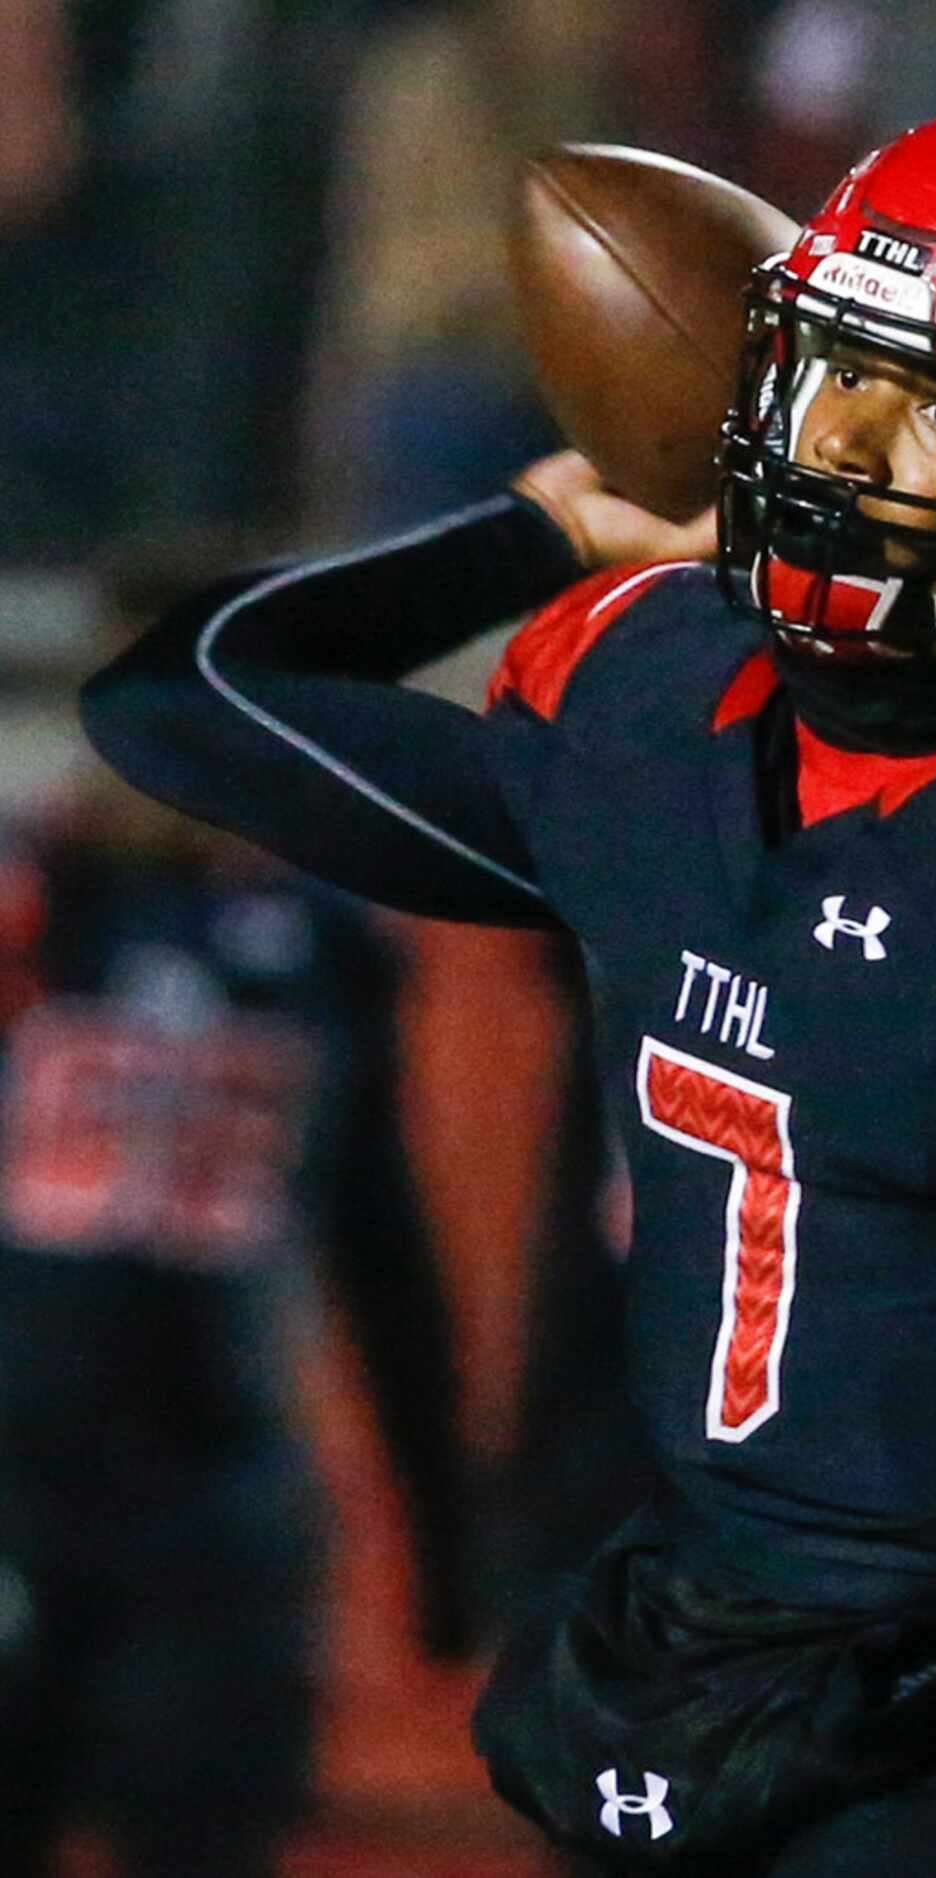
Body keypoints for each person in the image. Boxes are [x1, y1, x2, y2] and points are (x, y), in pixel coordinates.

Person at [80, 97, 936, 1876]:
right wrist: (537, 525)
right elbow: (180, 705)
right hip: (701, 1622)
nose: (831, 436)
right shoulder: (653, 705)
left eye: (931, 405)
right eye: (824, 362)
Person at [0, 558, 475, 1878]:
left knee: (206, 1829)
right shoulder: (35, 902)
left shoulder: (326, 941)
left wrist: (443, 1534)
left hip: (214, 1492)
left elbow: (383, 1253)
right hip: (16, 1473)